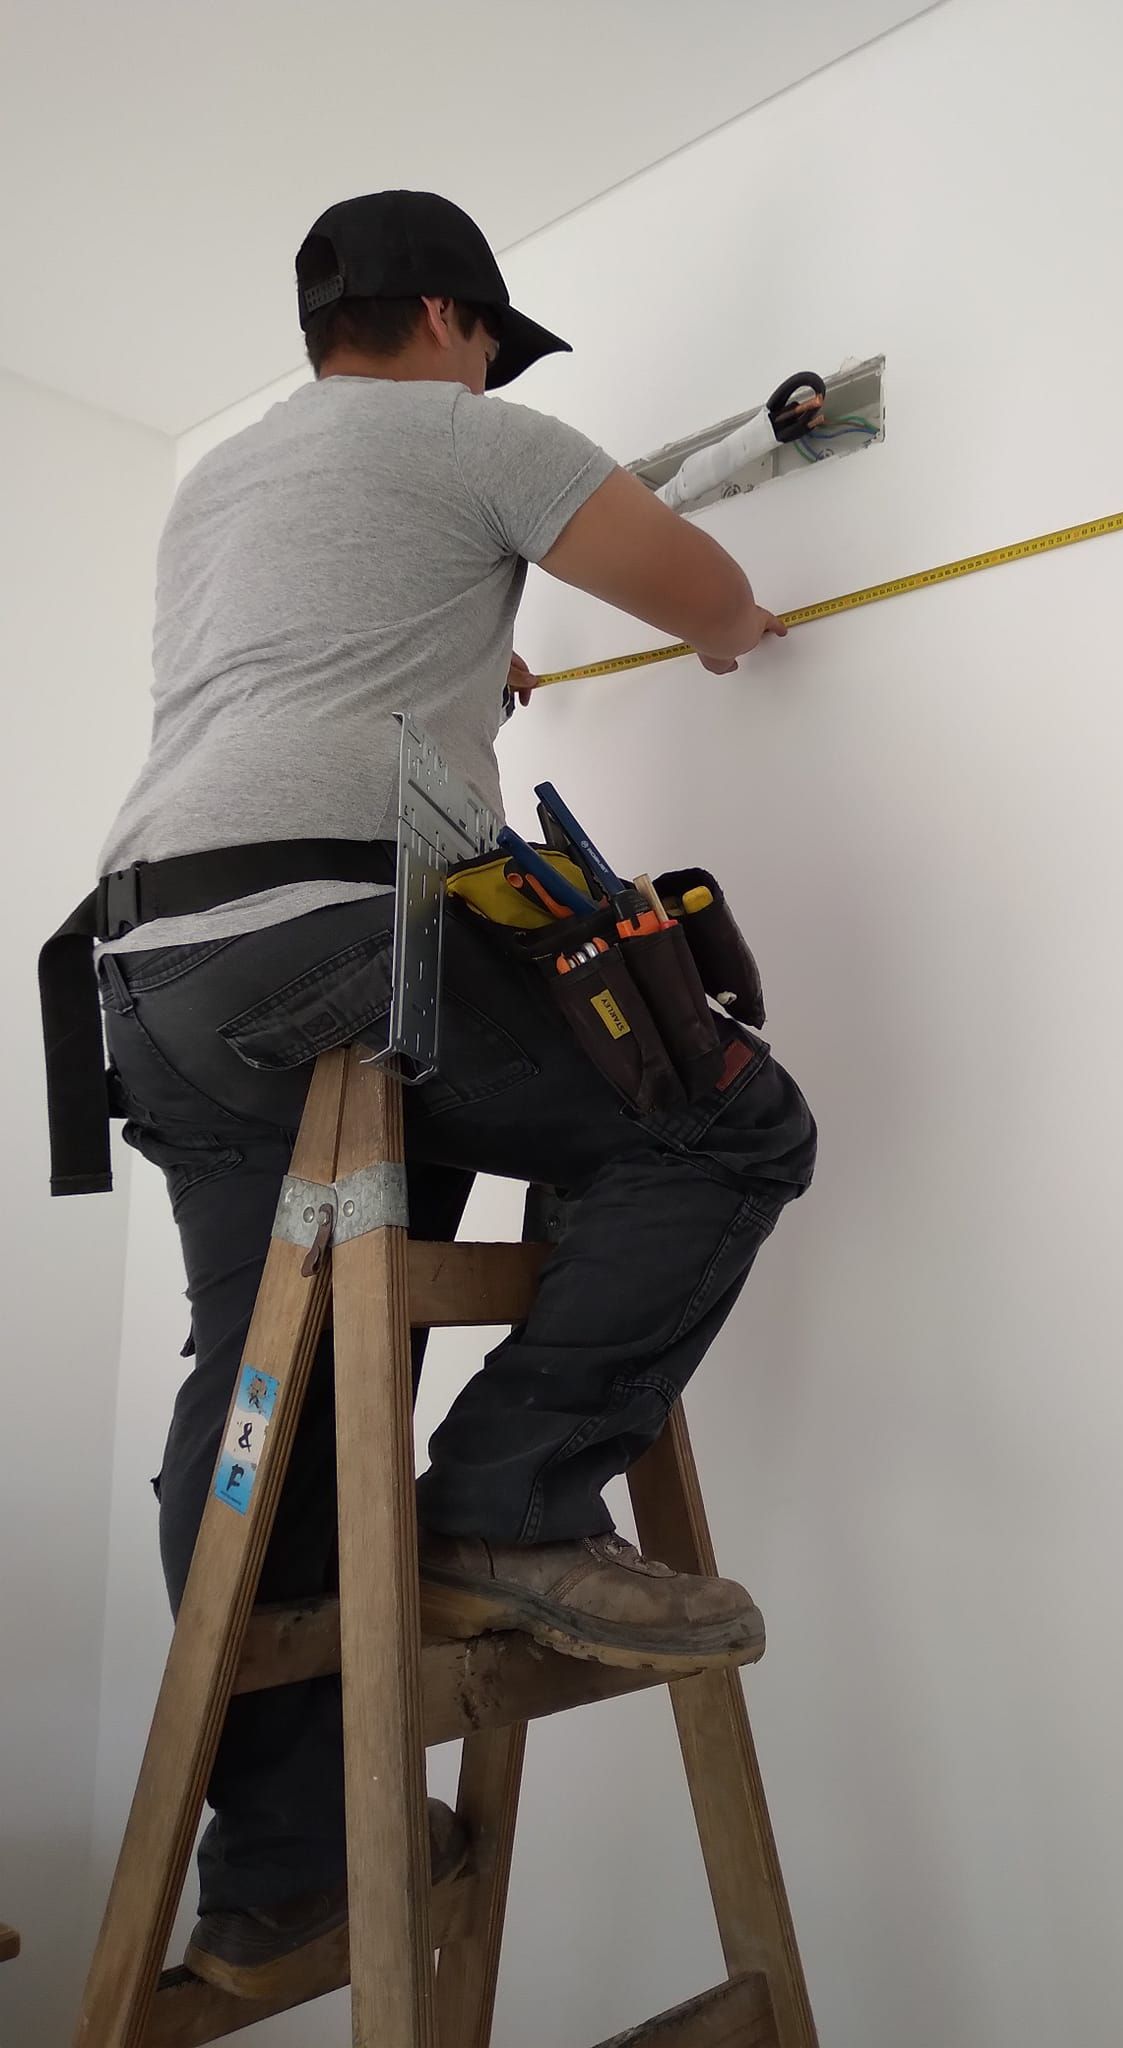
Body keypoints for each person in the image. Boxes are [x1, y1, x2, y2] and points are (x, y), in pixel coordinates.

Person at [92, 189, 815, 1996]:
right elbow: (699, 594)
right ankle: (502, 1508)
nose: (489, 366)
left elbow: (302, 662)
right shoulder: (476, 432)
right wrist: (735, 633)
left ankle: (283, 1877)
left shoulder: (223, 486)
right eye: (486, 337)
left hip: (151, 967)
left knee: (272, 1375)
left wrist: (459, 641)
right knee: (731, 1122)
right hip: (340, 937)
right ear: (437, 320)